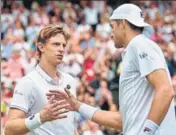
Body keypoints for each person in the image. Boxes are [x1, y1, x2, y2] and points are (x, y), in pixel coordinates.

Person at [47, 4, 176, 135]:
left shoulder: (139, 44)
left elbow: (166, 90)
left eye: (112, 26)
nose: (111, 33)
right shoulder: (134, 50)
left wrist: (146, 132)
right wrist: (78, 106)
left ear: (123, 23)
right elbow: (120, 121)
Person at [4, 24, 78, 135]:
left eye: (63, 45)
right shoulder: (28, 82)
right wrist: (41, 117)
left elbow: (69, 126)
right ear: (41, 47)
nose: (61, 49)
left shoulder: (70, 81)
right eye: (56, 44)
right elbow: (9, 129)